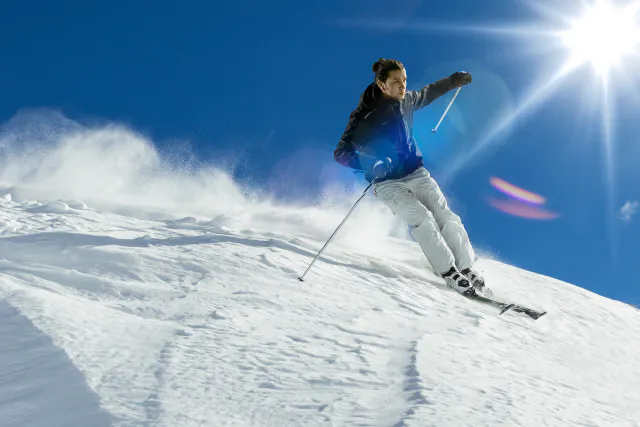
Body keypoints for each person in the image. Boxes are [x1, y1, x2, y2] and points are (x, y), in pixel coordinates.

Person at [334, 58, 485, 296]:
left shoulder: (407, 100)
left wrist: (454, 80)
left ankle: (466, 268)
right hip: (386, 182)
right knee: (422, 218)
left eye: (404, 79)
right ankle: (449, 272)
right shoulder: (364, 116)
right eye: (396, 81)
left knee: (444, 215)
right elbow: (341, 153)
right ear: (382, 85)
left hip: (415, 172)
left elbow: (429, 92)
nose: (402, 85)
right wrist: (371, 163)